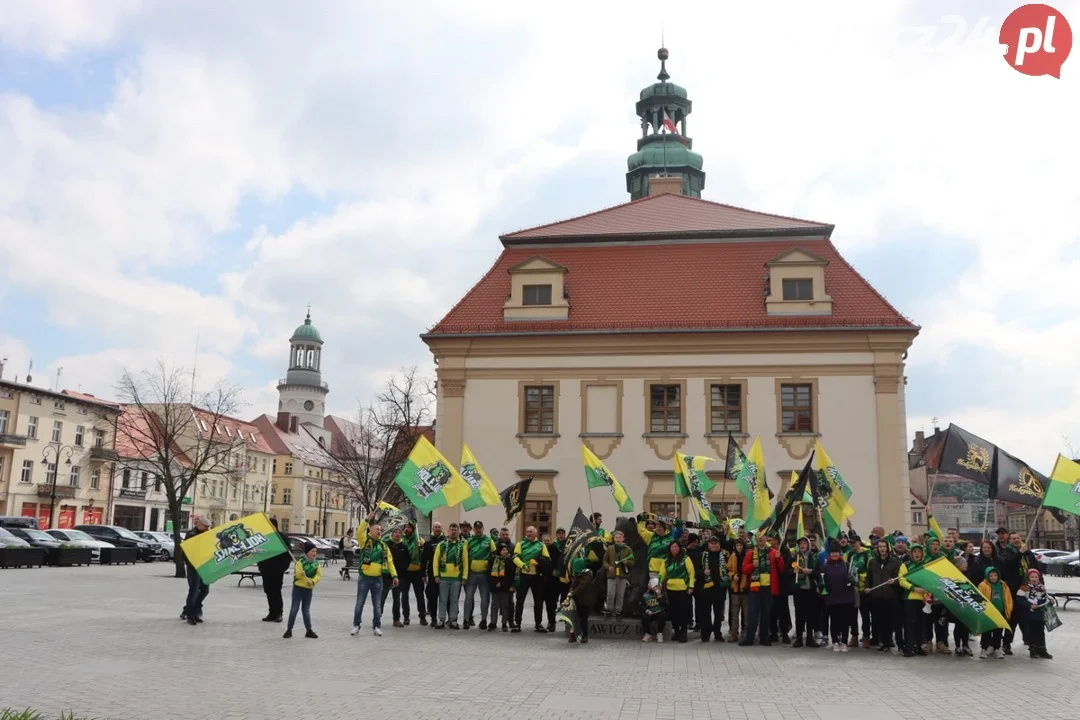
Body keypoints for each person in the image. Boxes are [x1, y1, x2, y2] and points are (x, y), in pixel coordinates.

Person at [351, 512, 398, 638]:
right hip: (364, 578)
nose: (379, 531)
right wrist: (367, 519)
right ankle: (356, 625)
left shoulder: (383, 546)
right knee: (360, 602)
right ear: (370, 531)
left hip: (378, 579)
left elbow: (390, 562)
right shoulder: (365, 541)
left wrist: (394, 576)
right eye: (376, 529)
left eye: (380, 530)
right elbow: (359, 532)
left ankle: (376, 626)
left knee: (377, 604)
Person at [1001, 531, 1041, 655]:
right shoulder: (1007, 552)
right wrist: (1020, 553)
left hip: (1028, 589)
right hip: (1014, 589)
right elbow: (1010, 564)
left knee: (1028, 616)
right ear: (1010, 540)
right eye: (1013, 538)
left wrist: (1040, 585)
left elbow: (1036, 569)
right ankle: (1007, 643)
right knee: (1012, 618)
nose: (1016, 540)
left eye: (1018, 538)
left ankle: (1030, 641)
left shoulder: (1028, 552)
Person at [740, 533, 783, 647]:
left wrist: (779, 559)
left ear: (766, 539)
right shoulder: (751, 553)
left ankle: (764, 637)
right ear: (756, 539)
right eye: (759, 536)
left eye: (763, 537)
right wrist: (753, 566)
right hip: (755, 588)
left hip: (769, 589)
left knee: (766, 614)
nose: (761, 538)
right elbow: (744, 569)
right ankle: (750, 638)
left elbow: (781, 569)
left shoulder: (773, 553)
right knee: (753, 614)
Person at [512, 525, 550, 633]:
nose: (528, 533)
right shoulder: (521, 544)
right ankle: (517, 623)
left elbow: (547, 560)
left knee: (538, 601)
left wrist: (539, 563)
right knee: (520, 600)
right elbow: (514, 557)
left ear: (536, 533)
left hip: (537, 576)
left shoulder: (541, 545)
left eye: (531, 532)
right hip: (524, 574)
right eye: (527, 531)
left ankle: (538, 624)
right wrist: (523, 565)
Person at [866, 538, 900, 653]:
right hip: (876, 595)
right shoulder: (872, 561)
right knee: (878, 620)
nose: (882, 549)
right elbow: (869, 576)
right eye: (880, 547)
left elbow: (898, 577)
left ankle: (888, 640)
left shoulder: (894, 561)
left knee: (888, 620)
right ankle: (881, 640)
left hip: (889, 595)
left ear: (888, 548)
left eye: (884, 546)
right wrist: (867, 587)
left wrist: (894, 581)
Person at [433, 522, 469, 629]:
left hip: (456, 578)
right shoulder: (442, 544)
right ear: (448, 531)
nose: (453, 532)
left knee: (454, 600)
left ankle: (453, 620)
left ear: (458, 532)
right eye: (451, 529)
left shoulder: (463, 545)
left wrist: (464, 577)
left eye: (455, 530)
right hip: (443, 577)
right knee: (443, 599)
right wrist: (436, 575)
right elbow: (436, 561)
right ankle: (442, 619)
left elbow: (465, 562)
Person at [821, 542, 855, 652]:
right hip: (832, 597)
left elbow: (852, 577)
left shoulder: (845, 564)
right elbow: (822, 581)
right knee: (834, 621)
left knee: (845, 621)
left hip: (845, 597)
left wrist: (851, 581)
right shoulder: (825, 566)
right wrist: (821, 585)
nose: (835, 554)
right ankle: (835, 641)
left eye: (836, 552)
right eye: (832, 552)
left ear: (839, 553)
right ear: (829, 554)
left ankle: (844, 641)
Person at [283, 541, 321, 639]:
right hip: (298, 589)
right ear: (307, 552)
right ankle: (289, 629)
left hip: (308, 590)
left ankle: (308, 630)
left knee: (306, 610)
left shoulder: (316, 564)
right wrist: (302, 574)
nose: (314, 553)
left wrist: (312, 581)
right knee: (294, 609)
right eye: (312, 551)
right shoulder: (300, 562)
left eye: (315, 551)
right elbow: (298, 575)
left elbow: (318, 575)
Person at [257, 517, 291, 623]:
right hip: (266, 569)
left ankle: (278, 613)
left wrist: (282, 568)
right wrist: (261, 566)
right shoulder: (264, 537)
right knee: (268, 591)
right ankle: (271, 613)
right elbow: (259, 552)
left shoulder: (281, 538)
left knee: (276, 591)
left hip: (277, 570)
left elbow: (288, 555)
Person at [695, 534, 728, 642]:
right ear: (708, 544)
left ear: (719, 544)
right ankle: (705, 634)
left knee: (718, 615)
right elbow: (696, 571)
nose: (714, 545)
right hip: (706, 589)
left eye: (716, 543)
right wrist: (703, 572)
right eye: (711, 543)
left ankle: (718, 634)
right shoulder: (702, 555)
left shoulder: (725, 555)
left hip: (720, 589)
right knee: (705, 614)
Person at [660, 540, 695, 643]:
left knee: (683, 611)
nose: (674, 549)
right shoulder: (666, 561)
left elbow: (691, 573)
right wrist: (657, 584)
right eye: (672, 547)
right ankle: (676, 631)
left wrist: (691, 586)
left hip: (683, 589)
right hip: (671, 589)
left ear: (679, 548)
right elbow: (662, 574)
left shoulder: (685, 559)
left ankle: (684, 632)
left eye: (676, 547)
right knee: (673, 612)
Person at [898, 543, 928, 657]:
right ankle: (909, 646)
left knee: (921, 624)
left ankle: (920, 646)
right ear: (911, 553)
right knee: (909, 623)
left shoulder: (926, 565)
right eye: (914, 551)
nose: (917, 554)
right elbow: (901, 580)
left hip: (923, 599)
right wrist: (914, 588)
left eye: (919, 552)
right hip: (910, 598)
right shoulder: (905, 565)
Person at [463, 520, 496, 629]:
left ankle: (483, 620)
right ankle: (466, 619)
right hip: (471, 574)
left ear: (483, 529)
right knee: (468, 598)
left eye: (480, 528)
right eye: (476, 528)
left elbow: (494, 556)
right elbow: (464, 558)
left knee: (485, 599)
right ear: (473, 529)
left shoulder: (489, 541)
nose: (478, 530)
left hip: (484, 575)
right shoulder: (468, 541)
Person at [181, 515, 211, 626]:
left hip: (203, 566)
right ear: (199, 525)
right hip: (194, 567)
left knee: (205, 590)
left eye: (208, 527)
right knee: (194, 591)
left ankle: (194, 611)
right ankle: (190, 615)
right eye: (205, 526)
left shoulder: (205, 534)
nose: (207, 528)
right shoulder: (192, 535)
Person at [791, 536, 820, 648]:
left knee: (811, 615)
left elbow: (819, 572)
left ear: (808, 545)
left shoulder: (814, 556)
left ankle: (809, 638)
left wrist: (811, 571)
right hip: (799, 590)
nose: (802, 545)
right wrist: (793, 571)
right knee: (799, 615)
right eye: (800, 543)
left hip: (811, 590)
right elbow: (788, 570)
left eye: (804, 543)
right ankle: (799, 638)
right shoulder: (795, 556)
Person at [977, 567, 1012, 659]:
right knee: (986, 632)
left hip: (1000, 613)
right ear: (987, 576)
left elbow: (1008, 599)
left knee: (998, 632)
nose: (993, 577)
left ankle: (997, 648)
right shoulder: (983, 585)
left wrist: (1008, 609)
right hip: (988, 613)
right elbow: (979, 597)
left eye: (995, 575)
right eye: (991, 575)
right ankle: (984, 649)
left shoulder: (1003, 585)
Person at [379, 528, 410, 628]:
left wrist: (402, 569)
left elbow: (408, 560)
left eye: (399, 533)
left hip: (399, 576)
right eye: (395, 532)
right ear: (392, 534)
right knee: (382, 597)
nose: (397, 534)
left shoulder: (404, 547)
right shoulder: (386, 545)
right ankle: (377, 617)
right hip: (386, 575)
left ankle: (396, 619)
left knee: (397, 598)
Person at [1018, 568, 1053, 659]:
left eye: (1036, 577)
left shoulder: (1041, 587)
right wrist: (1029, 605)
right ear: (1028, 578)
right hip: (1030, 614)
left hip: (1040, 613)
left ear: (1039, 578)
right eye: (1032, 576)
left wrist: (1050, 600)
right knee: (1032, 632)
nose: (1034, 578)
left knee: (1041, 631)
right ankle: (1033, 650)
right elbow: (1020, 600)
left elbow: (1046, 597)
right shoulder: (1024, 587)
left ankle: (1042, 649)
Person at [567, 557, 601, 644]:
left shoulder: (587, 575)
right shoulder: (577, 573)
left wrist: (573, 593)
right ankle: (574, 635)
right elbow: (573, 584)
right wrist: (571, 590)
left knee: (583, 619)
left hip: (585, 601)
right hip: (577, 600)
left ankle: (584, 636)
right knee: (575, 618)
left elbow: (582, 586)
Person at [602, 530, 636, 618]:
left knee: (620, 594)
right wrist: (608, 567)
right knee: (610, 594)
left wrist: (627, 562)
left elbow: (632, 562)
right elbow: (605, 561)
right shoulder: (610, 548)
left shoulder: (628, 549)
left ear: (623, 539)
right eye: (616, 537)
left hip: (622, 576)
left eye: (620, 537)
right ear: (614, 539)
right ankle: (609, 610)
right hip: (611, 575)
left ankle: (618, 611)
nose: (618, 539)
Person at [768, 534, 794, 644]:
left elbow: (787, 569)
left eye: (771, 540)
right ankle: (773, 633)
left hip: (782, 586)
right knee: (771, 611)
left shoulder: (785, 552)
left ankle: (784, 633)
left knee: (783, 611)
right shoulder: (767, 551)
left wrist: (779, 559)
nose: (769, 542)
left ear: (777, 541)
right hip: (770, 586)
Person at [847, 536, 871, 648]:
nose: (852, 544)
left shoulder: (866, 554)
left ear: (859, 542)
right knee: (852, 614)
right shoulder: (850, 554)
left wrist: (867, 584)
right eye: (851, 542)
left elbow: (870, 570)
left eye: (854, 542)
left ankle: (866, 636)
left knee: (865, 615)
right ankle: (854, 636)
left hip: (863, 588)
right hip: (853, 588)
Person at [400, 522, 426, 625]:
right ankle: (406, 617)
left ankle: (422, 616)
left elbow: (424, 555)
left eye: (409, 527)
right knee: (404, 595)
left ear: (413, 529)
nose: (407, 529)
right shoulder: (402, 540)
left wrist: (422, 548)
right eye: (405, 527)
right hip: (405, 572)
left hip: (417, 571)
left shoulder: (419, 539)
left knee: (419, 595)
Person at [420, 521, 445, 627]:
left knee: (444, 597)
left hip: (445, 573)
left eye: (439, 527)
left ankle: (444, 618)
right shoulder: (428, 542)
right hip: (432, 573)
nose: (437, 529)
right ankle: (433, 618)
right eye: (436, 527)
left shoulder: (446, 541)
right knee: (433, 596)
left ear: (442, 528)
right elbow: (423, 559)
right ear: (433, 529)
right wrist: (423, 574)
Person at [487, 542, 516, 631]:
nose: (505, 551)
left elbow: (510, 575)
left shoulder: (509, 561)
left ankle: (504, 623)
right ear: (499, 551)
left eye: (506, 550)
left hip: (505, 587)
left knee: (505, 605)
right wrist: (495, 582)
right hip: (495, 586)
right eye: (503, 550)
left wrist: (502, 583)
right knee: (494, 605)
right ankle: (493, 622)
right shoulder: (493, 560)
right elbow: (489, 573)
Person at [726, 537, 749, 642]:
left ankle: (746, 633)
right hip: (735, 589)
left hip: (745, 588)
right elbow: (728, 569)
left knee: (746, 613)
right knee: (735, 613)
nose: (739, 547)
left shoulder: (747, 556)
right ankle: (734, 633)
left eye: (741, 545)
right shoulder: (732, 556)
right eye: (737, 545)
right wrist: (732, 576)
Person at [641, 577, 667, 642]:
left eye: (658, 586)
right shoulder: (646, 593)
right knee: (644, 617)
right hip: (649, 612)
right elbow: (641, 604)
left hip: (658, 612)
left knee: (662, 615)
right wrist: (647, 610)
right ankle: (648, 634)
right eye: (656, 586)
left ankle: (659, 633)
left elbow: (665, 605)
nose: (657, 587)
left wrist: (659, 596)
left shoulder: (662, 593)